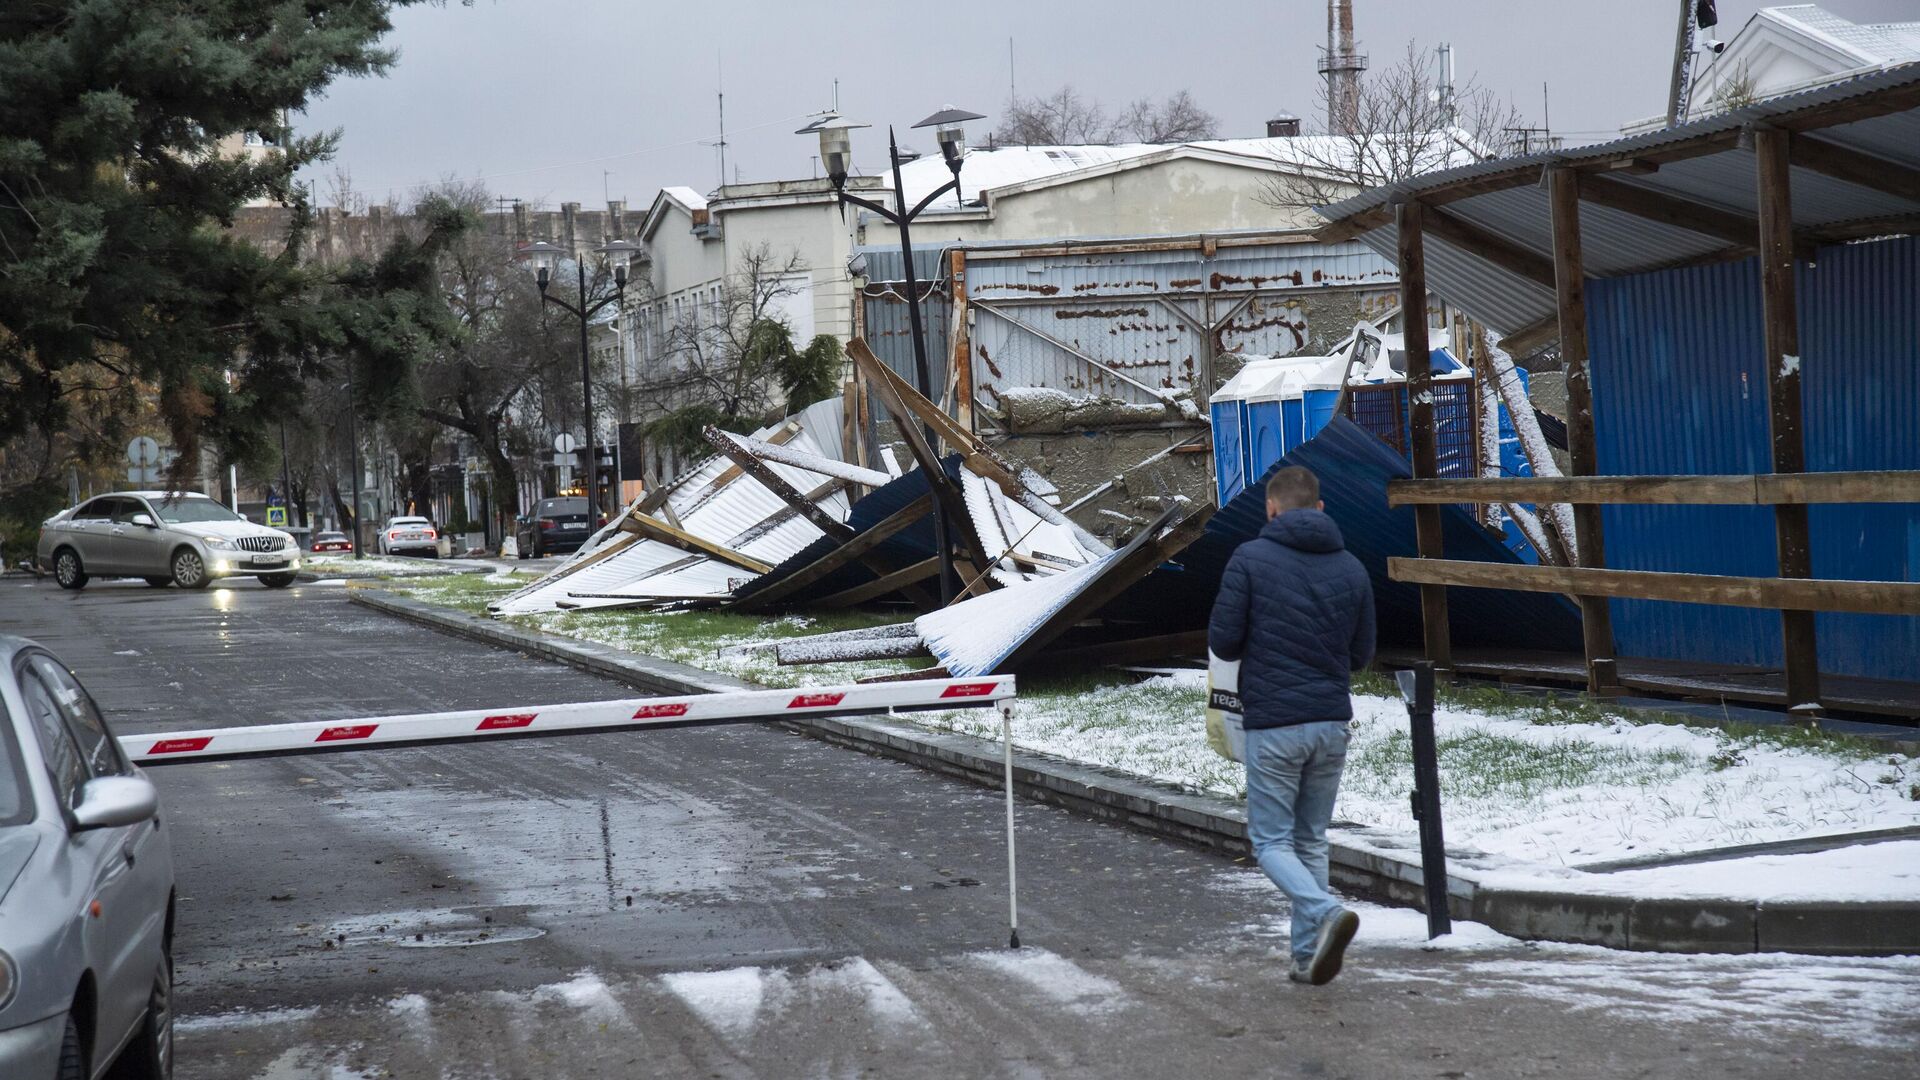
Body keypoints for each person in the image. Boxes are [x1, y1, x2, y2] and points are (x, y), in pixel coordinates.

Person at [1208, 465, 1376, 985]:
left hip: (1275, 724)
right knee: (1312, 840)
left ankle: (1325, 911)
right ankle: (1307, 957)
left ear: (1272, 509)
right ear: (1321, 509)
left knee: (1272, 843)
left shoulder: (1249, 559)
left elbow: (1224, 641)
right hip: (1330, 723)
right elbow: (1362, 654)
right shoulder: (1352, 566)